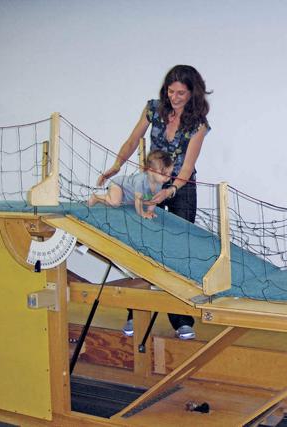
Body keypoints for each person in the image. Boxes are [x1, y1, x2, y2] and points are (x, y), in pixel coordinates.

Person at [97, 65, 212, 340]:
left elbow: (186, 169)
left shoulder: (198, 124)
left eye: (181, 93)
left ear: (192, 93)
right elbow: (131, 140)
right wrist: (116, 166)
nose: (175, 97)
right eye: (171, 91)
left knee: (178, 250)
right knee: (145, 247)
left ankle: (181, 319)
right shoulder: (154, 109)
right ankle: (136, 312)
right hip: (149, 184)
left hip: (181, 188)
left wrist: (170, 190)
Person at [88, 150, 173, 219]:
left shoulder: (159, 183)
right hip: (118, 185)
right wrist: (142, 214)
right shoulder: (141, 181)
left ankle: (106, 198)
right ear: (151, 170)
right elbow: (138, 200)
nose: (168, 177)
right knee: (115, 203)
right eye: (164, 174)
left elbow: (153, 200)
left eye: (170, 173)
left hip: (127, 197)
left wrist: (150, 211)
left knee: (120, 202)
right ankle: (96, 197)